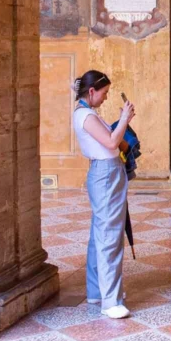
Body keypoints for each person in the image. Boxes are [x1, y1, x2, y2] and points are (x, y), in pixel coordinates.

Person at [71, 70, 135, 319]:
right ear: (91, 92)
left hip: (105, 173)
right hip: (106, 174)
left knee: (99, 234)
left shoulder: (86, 113)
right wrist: (124, 119)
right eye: (104, 93)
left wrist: (121, 122)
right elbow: (111, 143)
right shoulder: (86, 116)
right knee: (109, 236)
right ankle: (111, 301)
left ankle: (97, 290)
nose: (106, 97)